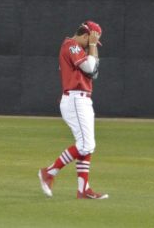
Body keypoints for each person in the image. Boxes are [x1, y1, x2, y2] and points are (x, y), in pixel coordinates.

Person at [38, 20, 109, 199]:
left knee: (87, 146)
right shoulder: (71, 45)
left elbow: (95, 71)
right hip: (75, 99)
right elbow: (91, 67)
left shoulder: (80, 48)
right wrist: (92, 45)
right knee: (86, 145)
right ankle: (49, 172)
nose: (92, 45)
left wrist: (92, 46)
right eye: (91, 40)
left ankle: (83, 189)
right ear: (86, 35)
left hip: (82, 99)